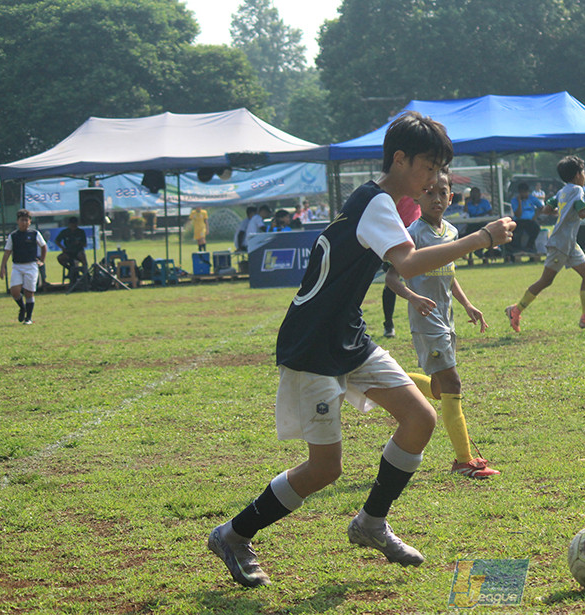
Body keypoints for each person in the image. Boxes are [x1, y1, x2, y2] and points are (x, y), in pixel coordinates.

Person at [206, 112, 515, 587]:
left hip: (348, 335)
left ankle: (371, 523)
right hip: (313, 343)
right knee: (325, 469)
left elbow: (397, 264)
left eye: (440, 171)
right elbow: (408, 265)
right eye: (429, 167)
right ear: (400, 158)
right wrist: (482, 237)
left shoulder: (383, 201)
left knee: (420, 419)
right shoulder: (376, 204)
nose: (435, 179)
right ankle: (233, 533)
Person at [384, 168, 501, 479]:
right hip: (427, 324)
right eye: (429, 192)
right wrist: (414, 298)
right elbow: (391, 277)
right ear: (418, 196)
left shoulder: (450, 232)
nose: (436, 198)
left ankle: (382, 379)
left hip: (447, 322)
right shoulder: (412, 233)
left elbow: (448, 274)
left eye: (442, 192)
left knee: (439, 388)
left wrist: (467, 304)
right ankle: (464, 460)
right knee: (452, 385)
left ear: (451, 197)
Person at [504, 155, 585, 332]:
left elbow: (547, 209)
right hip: (561, 242)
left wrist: (564, 213)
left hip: (569, 242)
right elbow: (583, 213)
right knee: (545, 281)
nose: (584, 176)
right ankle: (516, 309)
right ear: (577, 175)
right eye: (583, 172)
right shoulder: (577, 190)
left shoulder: (562, 191)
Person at [381, 196, 422, 338]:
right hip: (396, 235)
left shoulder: (420, 183)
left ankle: (426, 322)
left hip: (417, 234)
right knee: (392, 279)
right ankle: (388, 324)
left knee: (424, 280)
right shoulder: (396, 185)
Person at [0, 209, 47, 324]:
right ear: (17, 221)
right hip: (17, 266)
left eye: (26, 220)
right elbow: (7, 252)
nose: (24, 222)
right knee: (15, 291)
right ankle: (22, 307)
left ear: (30, 222)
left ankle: (28, 318)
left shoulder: (34, 233)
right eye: (22, 220)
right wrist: (2, 267)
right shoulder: (13, 236)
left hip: (31, 266)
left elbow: (43, 246)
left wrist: (42, 260)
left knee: (29, 292)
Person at [509, 182, 544, 254]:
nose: (524, 194)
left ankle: (529, 246)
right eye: (522, 192)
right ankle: (517, 249)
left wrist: (535, 217)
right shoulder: (514, 201)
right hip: (519, 220)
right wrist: (519, 202)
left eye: (525, 192)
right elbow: (518, 214)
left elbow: (541, 207)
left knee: (536, 228)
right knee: (516, 232)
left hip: (530, 220)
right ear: (519, 192)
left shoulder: (532, 198)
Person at [55, 216, 89, 281]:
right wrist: (63, 248)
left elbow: (85, 244)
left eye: (75, 224)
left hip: (78, 251)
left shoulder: (81, 232)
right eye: (72, 224)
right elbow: (57, 241)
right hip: (68, 252)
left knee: (83, 257)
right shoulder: (65, 232)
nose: (73, 226)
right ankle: (71, 269)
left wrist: (79, 243)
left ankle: (85, 273)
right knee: (60, 258)